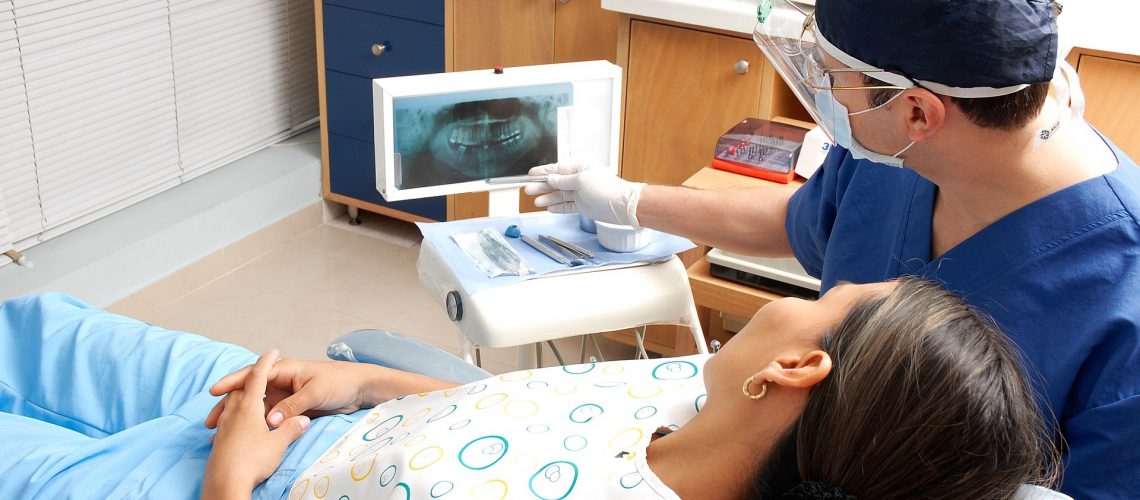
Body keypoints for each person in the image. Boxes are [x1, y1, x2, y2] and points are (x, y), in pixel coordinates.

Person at [524, 1, 1140, 497]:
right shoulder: (894, 155)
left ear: (918, 111)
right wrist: (629, 201)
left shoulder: (1121, 284)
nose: (823, 101)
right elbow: (803, 222)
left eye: (831, 81)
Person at [0, 281, 1056, 499]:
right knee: (44, 328)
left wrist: (233, 477)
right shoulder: (698, 395)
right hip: (327, 409)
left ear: (797, 367)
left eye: (833, 298)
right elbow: (503, 413)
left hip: (238, 482)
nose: (816, 292)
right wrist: (361, 377)